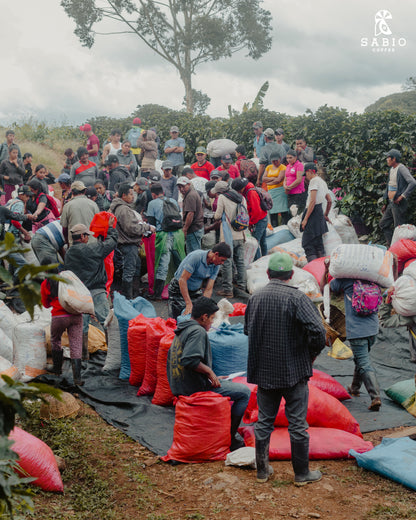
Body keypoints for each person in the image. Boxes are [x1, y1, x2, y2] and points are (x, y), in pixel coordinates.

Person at [245, 252, 326, 484]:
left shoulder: (256, 298)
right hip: (294, 372)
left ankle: (262, 471)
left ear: (269, 274)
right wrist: (310, 355)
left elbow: (249, 331)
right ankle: (302, 474)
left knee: (264, 422)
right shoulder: (298, 299)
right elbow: (318, 333)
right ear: (291, 275)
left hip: (265, 372)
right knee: (297, 424)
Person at [167, 296, 251, 451]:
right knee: (245, 393)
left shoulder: (184, 327)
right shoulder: (198, 331)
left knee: (230, 384)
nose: (212, 322)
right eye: (212, 318)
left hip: (181, 383)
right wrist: (210, 372)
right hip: (192, 387)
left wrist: (211, 375)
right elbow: (189, 360)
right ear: (204, 317)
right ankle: (230, 438)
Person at [329, 267, 382, 412]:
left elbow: (328, 288)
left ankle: (375, 396)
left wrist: (326, 269)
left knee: (364, 362)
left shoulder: (345, 280)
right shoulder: (373, 279)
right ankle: (354, 387)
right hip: (373, 329)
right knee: (361, 359)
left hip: (357, 331)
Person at [64, 220, 118, 360]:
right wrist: (111, 229)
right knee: (107, 321)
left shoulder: (69, 253)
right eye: (86, 235)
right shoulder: (91, 249)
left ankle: (84, 356)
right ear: (82, 236)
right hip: (96, 291)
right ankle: (112, 354)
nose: (88, 238)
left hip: (79, 294)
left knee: (82, 326)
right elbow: (111, 243)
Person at [109, 182, 155, 299]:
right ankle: (127, 298)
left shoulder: (116, 207)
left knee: (135, 267)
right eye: (130, 194)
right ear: (123, 196)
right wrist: (147, 227)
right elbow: (131, 228)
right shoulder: (123, 209)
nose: (132, 196)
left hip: (124, 243)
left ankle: (133, 294)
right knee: (129, 271)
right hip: (128, 244)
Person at [41, 270, 84, 385]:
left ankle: (57, 369)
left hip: (59, 317)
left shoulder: (46, 283)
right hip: (76, 316)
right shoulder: (68, 280)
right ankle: (77, 379)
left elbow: (46, 304)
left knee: (55, 340)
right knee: (76, 344)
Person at [168, 242, 231, 319]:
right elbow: (182, 280)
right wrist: (188, 303)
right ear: (216, 254)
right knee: (182, 315)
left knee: (201, 313)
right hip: (178, 289)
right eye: (222, 260)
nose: (222, 263)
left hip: (194, 290)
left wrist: (204, 305)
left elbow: (209, 288)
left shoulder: (216, 264)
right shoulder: (196, 257)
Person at [146, 182, 186, 300]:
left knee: (162, 264)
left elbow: (151, 223)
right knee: (181, 262)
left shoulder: (152, 203)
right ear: (162, 192)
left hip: (163, 236)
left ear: (153, 194)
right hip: (178, 235)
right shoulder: (172, 201)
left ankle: (157, 293)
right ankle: (185, 290)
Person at [211, 181, 247, 296]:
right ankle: (242, 286)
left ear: (220, 192)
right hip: (240, 234)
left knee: (226, 262)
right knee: (240, 261)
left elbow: (217, 215)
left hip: (227, 236)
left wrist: (215, 216)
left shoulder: (222, 197)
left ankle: (228, 290)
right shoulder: (241, 197)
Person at [379, 148, 416, 246]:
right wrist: (385, 203)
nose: (387, 160)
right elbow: (389, 186)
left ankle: (398, 250)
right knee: (383, 224)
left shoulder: (401, 168)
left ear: (394, 159)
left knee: (398, 230)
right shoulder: (392, 169)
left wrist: (402, 196)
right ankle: (392, 246)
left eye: (388, 158)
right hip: (391, 203)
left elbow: (412, 182)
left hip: (398, 204)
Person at [300, 163, 332, 262]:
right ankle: (323, 267)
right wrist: (326, 214)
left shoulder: (313, 181)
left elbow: (312, 201)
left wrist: (305, 219)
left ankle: (314, 267)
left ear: (310, 171)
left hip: (312, 213)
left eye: (306, 174)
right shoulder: (322, 182)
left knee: (307, 243)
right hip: (319, 213)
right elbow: (329, 200)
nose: (306, 178)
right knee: (318, 243)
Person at [232, 177, 268, 260]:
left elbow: (256, 211)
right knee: (262, 241)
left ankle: (258, 261)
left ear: (241, 188)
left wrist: (250, 223)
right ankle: (265, 259)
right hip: (263, 217)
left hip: (259, 219)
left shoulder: (251, 193)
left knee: (255, 243)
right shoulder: (248, 188)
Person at [60, 180, 99, 246]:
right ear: (85, 191)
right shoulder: (93, 204)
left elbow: (64, 228)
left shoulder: (67, 206)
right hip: (92, 243)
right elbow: (98, 225)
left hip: (75, 245)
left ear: (72, 192)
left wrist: (67, 242)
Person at [177, 176, 204, 253]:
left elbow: (190, 213)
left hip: (193, 229)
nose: (181, 189)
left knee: (194, 253)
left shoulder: (190, 195)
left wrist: (185, 229)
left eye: (183, 186)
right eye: (179, 187)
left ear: (188, 184)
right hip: (195, 228)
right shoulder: (191, 193)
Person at [263, 152, 289, 226]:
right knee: (273, 212)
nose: (274, 162)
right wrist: (274, 178)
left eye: (276, 160)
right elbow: (263, 178)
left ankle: (285, 227)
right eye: (273, 161)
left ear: (280, 159)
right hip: (271, 192)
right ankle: (275, 229)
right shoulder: (268, 167)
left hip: (280, 191)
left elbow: (279, 180)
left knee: (284, 211)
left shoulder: (283, 167)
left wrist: (269, 181)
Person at [284, 149, 306, 215]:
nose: (288, 160)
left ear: (295, 157)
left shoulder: (299, 165)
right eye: (287, 158)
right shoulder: (288, 166)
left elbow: (299, 179)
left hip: (298, 193)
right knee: (291, 213)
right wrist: (285, 186)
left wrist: (289, 187)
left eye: (290, 157)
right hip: (290, 193)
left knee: (298, 214)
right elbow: (285, 179)